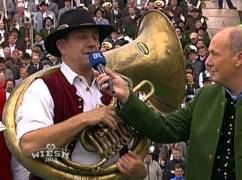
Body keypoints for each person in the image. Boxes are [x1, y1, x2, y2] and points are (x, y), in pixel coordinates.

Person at [98, 26, 242, 179]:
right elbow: (163, 129)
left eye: (214, 54)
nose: (208, 62)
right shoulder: (205, 96)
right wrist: (127, 97)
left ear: (239, 58)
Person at [16, 8, 146, 179]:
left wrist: (140, 170)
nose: (92, 43)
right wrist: (85, 118)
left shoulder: (115, 87)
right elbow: (29, 145)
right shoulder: (42, 88)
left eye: (95, 36)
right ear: (62, 46)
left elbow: (133, 143)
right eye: (82, 36)